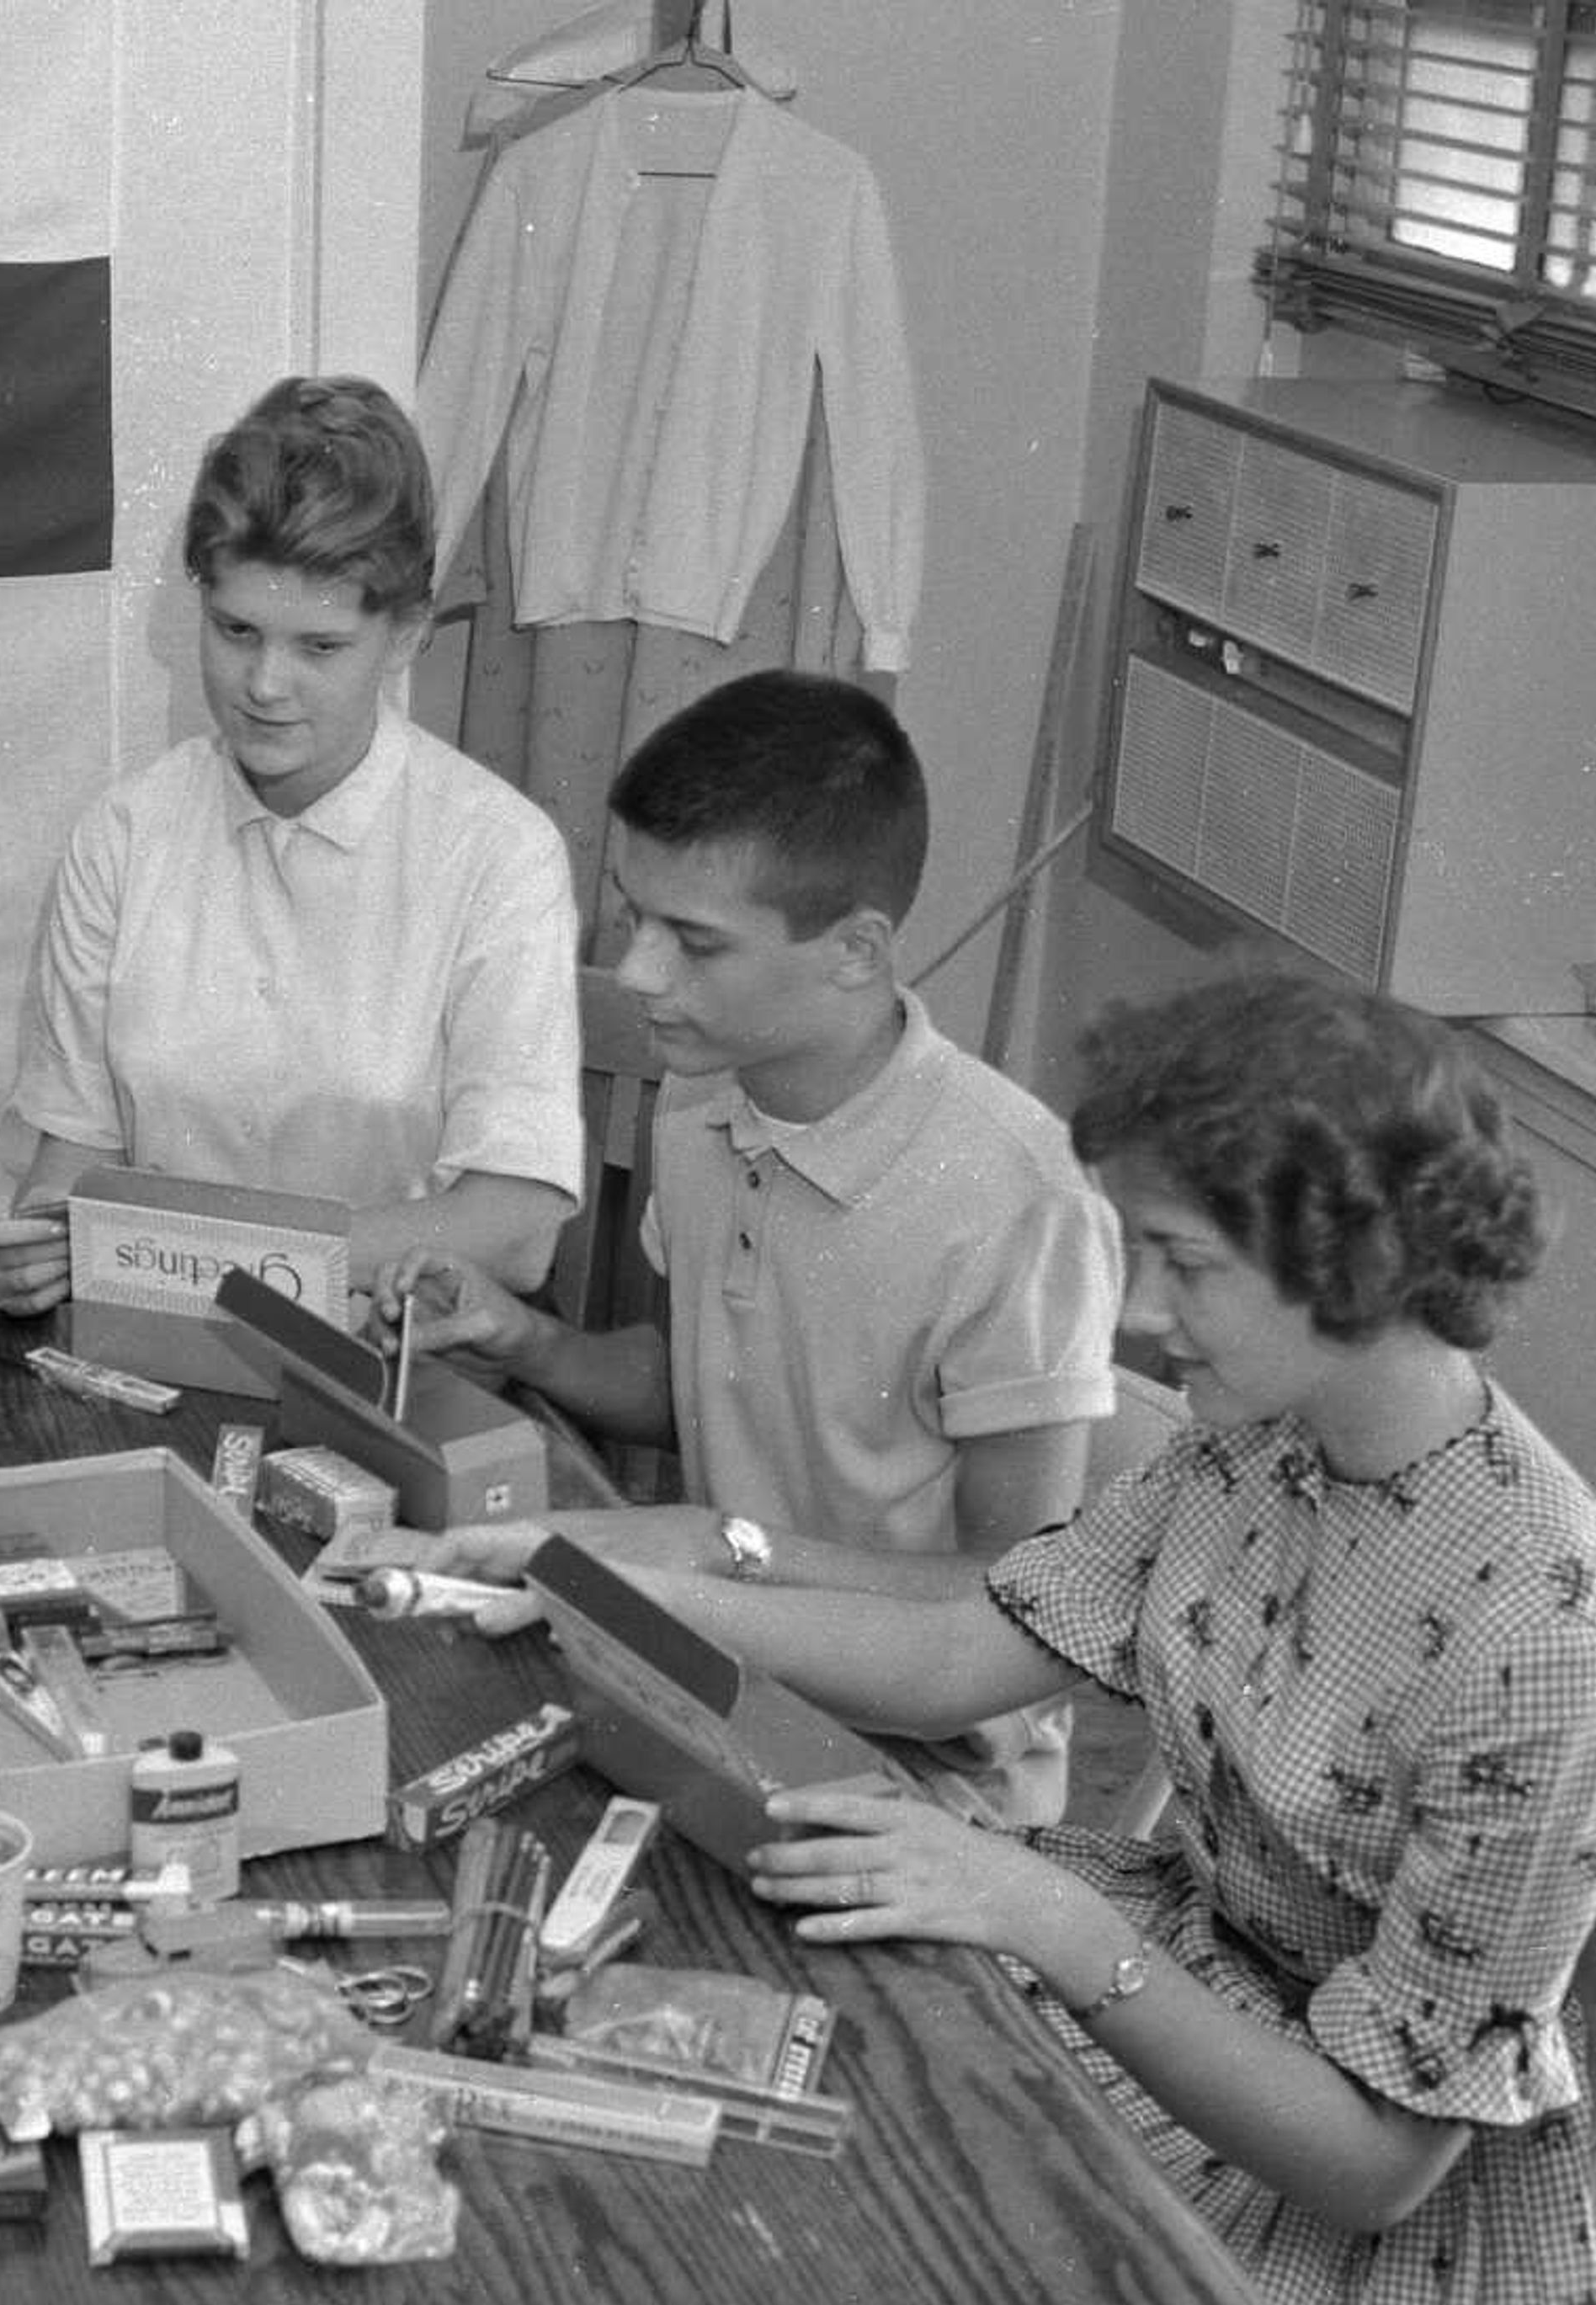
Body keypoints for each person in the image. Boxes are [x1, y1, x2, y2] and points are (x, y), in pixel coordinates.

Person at [450, 970, 1596, 2305]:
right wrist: (624, 1583)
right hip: (1175, 1983)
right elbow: (973, 1646)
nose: (1140, 1316)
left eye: (1180, 1262)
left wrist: (1049, 1919)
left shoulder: (1553, 1651)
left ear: (1355, 1268)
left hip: (1354, 2197)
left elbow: (1374, 2167)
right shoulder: (1266, 1430)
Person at [380, 669, 1118, 1823]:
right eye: (633, 916)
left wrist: (723, 1558)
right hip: (702, 1672)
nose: (637, 975)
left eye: (696, 942)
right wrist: (520, 1336)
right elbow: (699, 1389)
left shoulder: (1018, 1200)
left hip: (923, 1779)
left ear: (858, 951)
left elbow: (1016, 1606)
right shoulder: (702, 1102)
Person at [0, 374, 583, 1318]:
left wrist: (208, 1259)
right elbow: (74, 1159)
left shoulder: (499, 854)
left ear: (403, 636)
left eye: (320, 647)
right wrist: (40, 1248)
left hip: (387, 1363)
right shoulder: (123, 837)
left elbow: (518, 1223)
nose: (265, 685)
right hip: (150, 1343)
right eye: (235, 629)